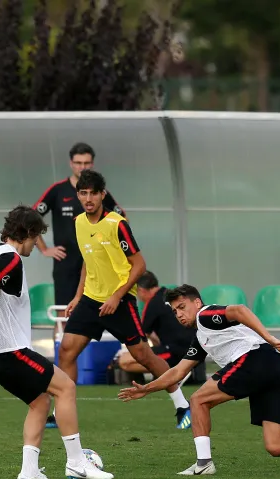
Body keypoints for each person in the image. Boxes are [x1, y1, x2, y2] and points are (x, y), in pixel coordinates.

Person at [117, 284, 280, 475]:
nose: (179, 314)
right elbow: (178, 371)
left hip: (257, 360)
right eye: (175, 311)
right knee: (276, 446)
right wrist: (147, 388)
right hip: (278, 369)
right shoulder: (201, 337)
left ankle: (203, 463)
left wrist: (271, 338)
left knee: (198, 400)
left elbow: (239, 310)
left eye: (182, 307)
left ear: (197, 303)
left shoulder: (205, 315)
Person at [0, 205, 113, 479]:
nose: (36, 245)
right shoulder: (9, 258)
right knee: (66, 387)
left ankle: (29, 473)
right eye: (35, 238)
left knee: (40, 401)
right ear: (27, 233)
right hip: (9, 351)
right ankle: (77, 463)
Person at [57, 170, 191, 429]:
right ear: (78, 195)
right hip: (91, 299)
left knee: (143, 355)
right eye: (83, 193)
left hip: (119, 301)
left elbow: (139, 265)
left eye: (93, 193)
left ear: (102, 195)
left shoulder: (116, 224)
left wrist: (117, 296)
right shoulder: (78, 223)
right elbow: (88, 261)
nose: (88, 198)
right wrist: (78, 296)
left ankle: (182, 404)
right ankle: (60, 411)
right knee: (66, 351)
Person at [33, 142, 126, 307]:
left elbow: (122, 219)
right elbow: (31, 218)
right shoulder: (58, 190)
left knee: (94, 309)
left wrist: (108, 246)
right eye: (78, 163)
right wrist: (44, 249)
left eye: (86, 163)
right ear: (71, 163)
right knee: (64, 311)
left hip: (95, 260)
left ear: (92, 164)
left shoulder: (100, 192)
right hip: (66, 261)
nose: (82, 167)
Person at [116, 272, 195, 403]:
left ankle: (176, 375)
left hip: (175, 351)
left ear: (141, 290)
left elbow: (141, 336)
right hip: (192, 348)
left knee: (124, 361)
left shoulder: (153, 303)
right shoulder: (170, 295)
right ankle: (176, 372)